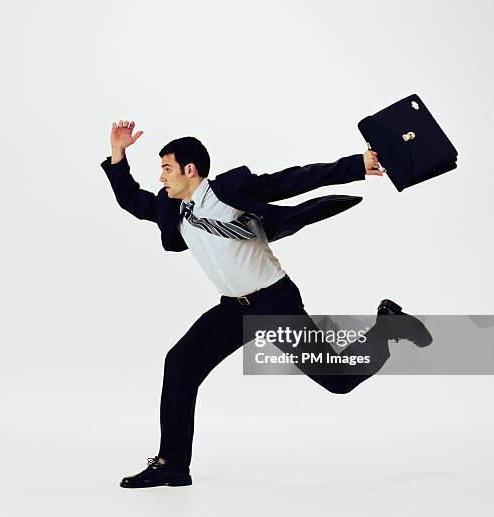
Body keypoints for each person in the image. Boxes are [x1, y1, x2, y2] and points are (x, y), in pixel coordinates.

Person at [100, 119, 432, 489]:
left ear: (189, 170)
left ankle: (388, 327)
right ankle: (172, 463)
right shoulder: (172, 207)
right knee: (179, 363)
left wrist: (357, 165)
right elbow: (132, 199)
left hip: (274, 301)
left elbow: (294, 178)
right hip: (233, 308)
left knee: (338, 381)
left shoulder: (233, 188)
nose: (161, 178)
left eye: (166, 169)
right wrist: (118, 155)